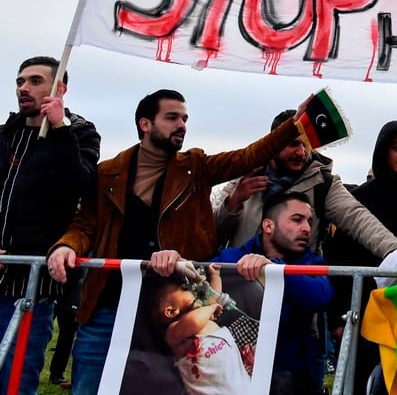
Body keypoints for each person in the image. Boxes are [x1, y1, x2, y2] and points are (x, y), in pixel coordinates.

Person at [46, 89, 301, 395]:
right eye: (172, 117)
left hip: (175, 311)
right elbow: (85, 224)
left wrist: (295, 125)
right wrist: (66, 246)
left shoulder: (196, 166)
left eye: (185, 118)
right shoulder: (107, 173)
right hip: (108, 304)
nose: (181, 124)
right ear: (145, 124)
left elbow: (248, 156)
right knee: (90, 385)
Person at [0, 56, 100, 394]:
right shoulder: (6, 134)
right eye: (20, 81)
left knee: (15, 376)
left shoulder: (80, 133)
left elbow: (77, 185)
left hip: (30, 285)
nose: (23, 88)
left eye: (34, 81)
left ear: (60, 88)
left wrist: (60, 128)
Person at [324, 119, 397, 395]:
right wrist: (337, 318)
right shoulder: (360, 198)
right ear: (383, 150)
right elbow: (338, 257)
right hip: (365, 312)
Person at [211, 109, 397, 258]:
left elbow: (359, 220)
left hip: (294, 293)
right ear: (272, 144)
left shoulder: (324, 183)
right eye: (293, 144)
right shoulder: (244, 177)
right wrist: (234, 202)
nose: (301, 153)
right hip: (239, 291)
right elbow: (211, 235)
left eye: (307, 144)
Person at [214, 192, 334, 395]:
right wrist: (172, 260)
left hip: (291, 376)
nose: (306, 228)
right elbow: (196, 280)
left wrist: (275, 270)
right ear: (268, 226)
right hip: (233, 373)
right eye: (297, 220)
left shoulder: (312, 263)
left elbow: (321, 296)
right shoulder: (233, 258)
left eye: (309, 221)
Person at [148, 266, 249, 394]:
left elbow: (213, 297)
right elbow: (194, 321)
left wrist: (215, 276)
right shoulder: (174, 331)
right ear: (171, 311)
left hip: (241, 386)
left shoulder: (203, 314)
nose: (191, 289)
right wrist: (212, 308)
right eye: (184, 289)